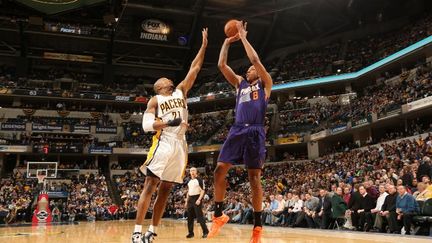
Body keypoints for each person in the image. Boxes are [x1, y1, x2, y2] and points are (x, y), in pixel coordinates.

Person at [131, 28, 208, 243]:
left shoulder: (181, 91)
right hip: (164, 142)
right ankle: (136, 231)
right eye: (165, 78)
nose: (168, 78)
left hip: (181, 145)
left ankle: (152, 231)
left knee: (165, 190)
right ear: (159, 86)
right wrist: (168, 122)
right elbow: (147, 124)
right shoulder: (155, 100)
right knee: (150, 185)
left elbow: (196, 67)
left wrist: (203, 46)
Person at [209, 21, 273, 243]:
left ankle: (257, 226)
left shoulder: (266, 84)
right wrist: (227, 42)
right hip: (237, 129)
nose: (249, 69)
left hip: (256, 131)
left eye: (251, 69)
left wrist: (244, 37)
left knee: (254, 178)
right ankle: (218, 214)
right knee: (219, 170)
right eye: (247, 70)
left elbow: (255, 59)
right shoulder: (240, 84)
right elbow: (221, 65)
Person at [185, 167, 209, 238]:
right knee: (189, 217)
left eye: (193, 170)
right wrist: (186, 200)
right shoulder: (189, 181)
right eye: (191, 170)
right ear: (189, 172)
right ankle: (191, 233)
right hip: (190, 199)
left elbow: (202, 190)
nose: (192, 172)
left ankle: (205, 232)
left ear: (196, 172)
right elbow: (188, 192)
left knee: (199, 216)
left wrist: (199, 199)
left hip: (197, 198)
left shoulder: (199, 180)